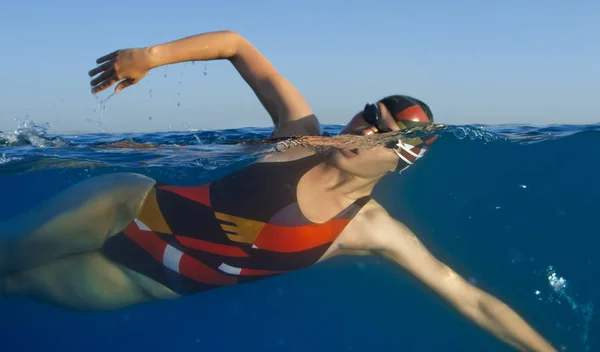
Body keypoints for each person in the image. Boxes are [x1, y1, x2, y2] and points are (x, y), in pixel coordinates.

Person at [0, 30, 555, 351]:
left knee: (13, 288)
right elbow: (239, 47)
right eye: (367, 113)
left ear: (402, 158)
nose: (363, 128)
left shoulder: (371, 231)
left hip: (147, 279)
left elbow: (472, 298)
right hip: (119, 207)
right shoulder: (298, 133)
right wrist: (149, 58)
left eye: (383, 131)